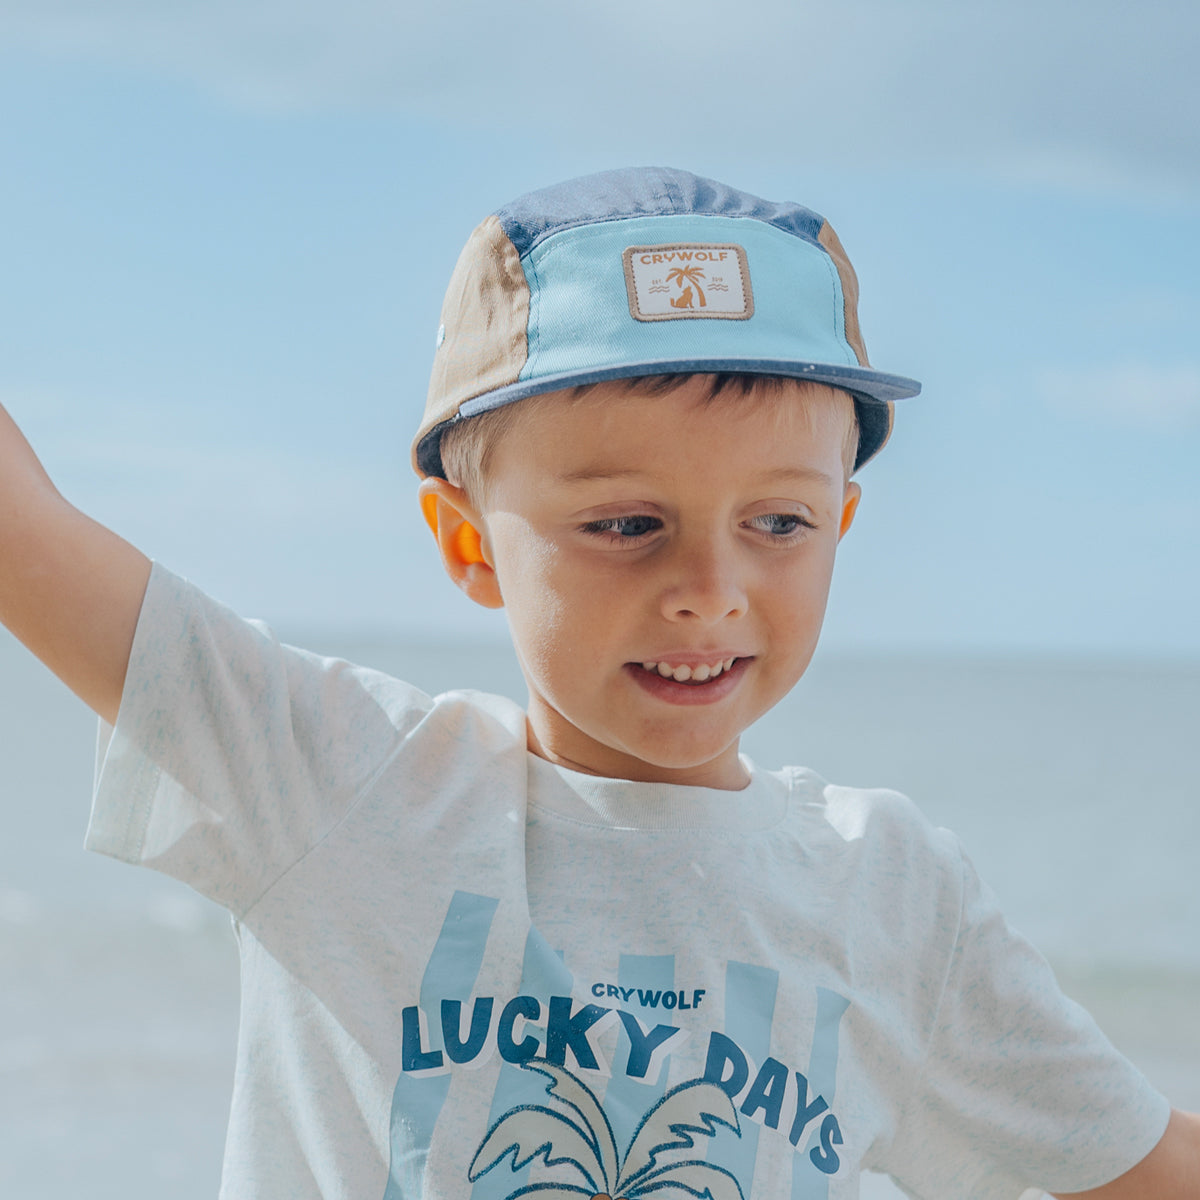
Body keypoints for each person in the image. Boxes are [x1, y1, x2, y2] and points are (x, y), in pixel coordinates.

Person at [0, 167, 1196, 1200]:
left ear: (842, 521)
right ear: (470, 542)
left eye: (779, 522)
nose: (709, 591)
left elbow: (1139, 1163)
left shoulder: (894, 901)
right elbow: (26, 537)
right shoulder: (341, 788)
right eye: (628, 524)